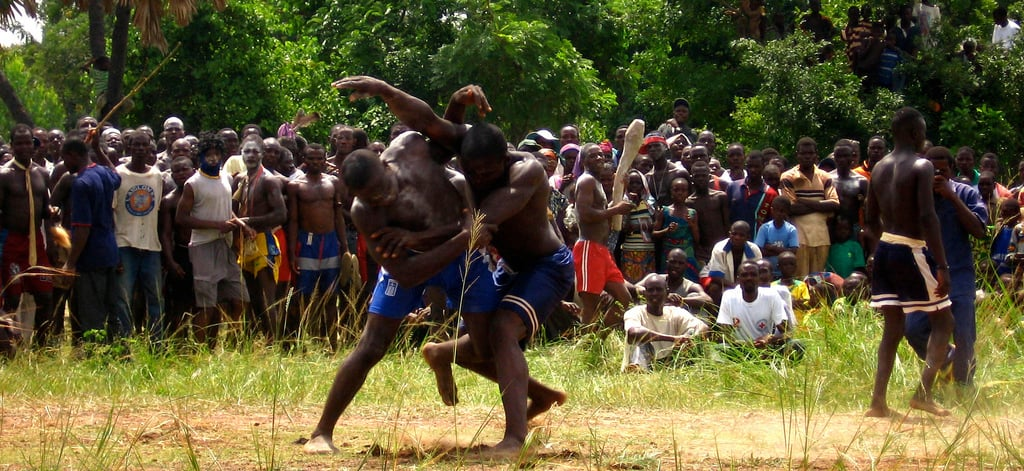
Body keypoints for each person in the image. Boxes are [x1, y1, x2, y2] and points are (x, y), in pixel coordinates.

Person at [331, 76, 571, 456]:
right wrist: (387, 91)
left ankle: (513, 439)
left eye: (486, 173)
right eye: (470, 170)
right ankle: (518, 387)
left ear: (504, 160)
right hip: (507, 265)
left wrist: (414, 238)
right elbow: (428, 123)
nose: (476, 177)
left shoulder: (525, 172)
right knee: (482, 344)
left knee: (502, 332)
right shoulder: (465, 153)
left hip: (545, 265)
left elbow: (476, 227)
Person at [864, 107, 954, 417]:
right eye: (923, 130)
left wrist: (881, 247)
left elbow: (869, 219)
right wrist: (942, 265)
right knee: (944, 321)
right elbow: (928, 217)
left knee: (893, 327)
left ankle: (878, 402)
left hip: (885, 248)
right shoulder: (922, 165)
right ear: (915, 133)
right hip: (911, 248)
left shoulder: (878, 168)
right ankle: (922, 395)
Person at [903, 145, 987, 388]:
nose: (938, 175)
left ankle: (963, 387)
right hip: (924, 274)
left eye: (943, 170)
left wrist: (952, 197)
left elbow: (980, 231)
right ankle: (947, 360)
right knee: (914, 329)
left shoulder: (966, 193)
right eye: (933, 170)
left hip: (959, 273)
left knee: (964, 333)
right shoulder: (914, 196)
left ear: (951, 170)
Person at [176, 134, 248, 348]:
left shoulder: (226, 178)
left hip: (226, 245)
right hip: (203, 247)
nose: (213, 158)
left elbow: (225, 209)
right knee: (206, 305)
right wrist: (217, 225)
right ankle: (202, 350)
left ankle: (233, 345)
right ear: (200, 157)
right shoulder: (193, 184)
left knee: (240, 299)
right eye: (209, 155)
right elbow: (182, 218)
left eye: (217, 154)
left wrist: (240, 223)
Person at [286, 144, 349, 349]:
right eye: (311, 158)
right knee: (304, 296)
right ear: (304, 159)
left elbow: (338, 216)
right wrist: (292, 252)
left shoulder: (333, 182)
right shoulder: (296, 185)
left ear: (324, 159)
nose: (316, 162)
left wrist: (344, 246)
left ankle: (331, 343)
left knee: (331, 295)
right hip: (307, 243)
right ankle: (306, 342)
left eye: (319, 158)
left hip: (330, 242)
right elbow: (293, 220)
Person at [61, 135, 120, 345]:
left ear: (73, 155)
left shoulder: (81, 183)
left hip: (91, 256)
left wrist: (70, 262)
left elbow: (82, 229)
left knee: (92, 312)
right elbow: (117, 176)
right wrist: (100, 150)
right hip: (110, 252)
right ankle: (118, 350)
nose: (64, 163)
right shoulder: (103, 172)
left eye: (64, 158)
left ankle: (96, 353)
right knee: (111, 308)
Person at [0, 124, 55, 347]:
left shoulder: (42, 173)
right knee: (12, 297)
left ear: (34, 145)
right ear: (12, 146)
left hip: (36, 242)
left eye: (27, 143)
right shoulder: (4, 175)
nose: (24, 147)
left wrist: (52, 214)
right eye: (19, 143)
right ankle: (11, 347)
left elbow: (46, 210)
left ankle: (42, 348)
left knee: (45, 296)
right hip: (12, 243)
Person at [111, 130, 167, 341]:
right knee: (123, 299)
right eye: (137, 145)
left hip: (151, 247)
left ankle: (156, 344)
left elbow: (157, 210)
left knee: (156, 299)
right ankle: (125, 344)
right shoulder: (119, 174)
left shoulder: (157, 175)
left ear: (151, 148)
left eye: (145, 145)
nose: (141, 149)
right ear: (129, 147)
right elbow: (111, 211)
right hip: (124, 245)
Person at [234, 136, 287, 341]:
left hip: (264, 241)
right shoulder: (241, 179)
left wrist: (249, 221)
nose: (251, 155)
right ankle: (260, 341)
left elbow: (280, 214)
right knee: (253, 297)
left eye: (255, 152)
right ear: (241, 154)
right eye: (247, 151)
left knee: (267, 298)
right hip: (246, 243)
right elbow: (232, 210)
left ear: (262, 155)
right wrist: (241, 225)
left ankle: (275, 343)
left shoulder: (268, 180)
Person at [575, 143, 634, 326]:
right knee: (591, 304)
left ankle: (599, 338)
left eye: (601, 154)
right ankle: (586, 342)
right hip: (588, 248)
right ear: (584, 161)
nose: (599, 158)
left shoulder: (597, 182)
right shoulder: (586, 181)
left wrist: (621, 193)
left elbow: (601, 213)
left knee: (625, 300)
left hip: (602, 251)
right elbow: (585, 214)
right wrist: (616, 209)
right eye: (593, 156)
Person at [622, 275, 709, 372]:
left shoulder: (675, 312)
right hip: (646, 362)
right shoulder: (635, 312)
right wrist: (674, 339)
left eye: (659, 290)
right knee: (640, 342)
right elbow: (633, 333)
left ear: (667, 293)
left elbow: (703, 327)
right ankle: (637, 372)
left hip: (670, 362)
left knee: (693, 334)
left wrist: (688, 339)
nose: (655, 293)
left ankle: (690, 370)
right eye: (650, 290)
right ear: (645, 293)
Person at [781, 137, 840, 277]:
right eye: (803, 153)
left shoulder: (825, 177)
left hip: (821, 237)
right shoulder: (788, 177)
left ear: (816, 155)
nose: (807, 156)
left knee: (818, 280)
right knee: (800, 279)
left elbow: (834, 204)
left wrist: (803, 201)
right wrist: (821, 204)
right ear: (797, 155)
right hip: (798, 238)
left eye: (810, 153)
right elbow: (791, 208)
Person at [717, 262, 799, 359]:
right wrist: (747, 344)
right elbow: (724, 335)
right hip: (740, 349)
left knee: (796, 345)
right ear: (738, 280)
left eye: (753, 274)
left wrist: (769, 339)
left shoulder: (771, 295)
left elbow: (787, 333)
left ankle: (774, 364)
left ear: (759, 278)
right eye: (744, 275)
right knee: (720, 348)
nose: (749, 278)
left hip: (766, 349)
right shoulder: (729, 296)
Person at [160, 157, 195, 338]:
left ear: (193, 170)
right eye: (177, 171)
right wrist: (171, 262)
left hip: (203, 251)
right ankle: (178, 341)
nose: (181, 174)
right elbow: (166, 234)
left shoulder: (202, 195)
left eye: (184, 169)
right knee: (180, 301)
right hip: (182, 253)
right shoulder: (169, 201)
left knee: (203, 301)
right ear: (172, 175)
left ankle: (201, 342)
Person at [636, 248, 714, 317]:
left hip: (679, 322)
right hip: (653, 318)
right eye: (673, 262)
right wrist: (661, 296)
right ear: (667, 263)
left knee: (694, 296)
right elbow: (635, 288)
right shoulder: (655, 279)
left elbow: (708, 300)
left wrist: (681, 300)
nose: (676, 266)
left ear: (686, 266)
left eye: (680, 263)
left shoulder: (690, 286)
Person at [653, 177, 700, 280]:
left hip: (687, 253)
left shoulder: (692, 213)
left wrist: (692, 225)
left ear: (688, 193)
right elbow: (654, 234)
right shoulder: (664, 211)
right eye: (676, 190)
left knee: (689, 281)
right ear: (671, 191)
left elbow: (697, 239)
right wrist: (667, 230)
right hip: (669, 253)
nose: (680, 193)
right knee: (668, 281)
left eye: (683, 190)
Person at [688, 160, 730, 266]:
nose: (700, 179)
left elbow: (727, 225)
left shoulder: (720, 197)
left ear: (709, 177)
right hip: (702, 253)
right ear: (692, 178)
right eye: (697, 176)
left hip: (722, 248)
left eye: (703, 176)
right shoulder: (689, 202)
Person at [727, 150, 776, 237]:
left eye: (756, 167)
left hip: (758, 241)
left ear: (763, 166)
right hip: (734, 240)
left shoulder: (770, 194)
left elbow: (772, 223)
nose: (753, 170)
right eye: (750, 166)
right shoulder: (733, 187)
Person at [619, 170, 656, 283]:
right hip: (630, 250)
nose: (634, 186)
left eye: (638, 183)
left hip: (648, 251)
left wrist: (639, 226)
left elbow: (655, 227)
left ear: (643, 185)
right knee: (631, 285)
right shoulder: (622, 204)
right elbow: (624, 228)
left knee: (647, 284)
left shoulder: (650, 205)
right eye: (631, 183)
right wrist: (630, 205)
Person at [704, 221, 762, 289]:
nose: (737, 237)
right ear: (729, 234)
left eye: (741, 235)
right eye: (734, 234)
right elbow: (715, 275)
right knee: (714, 288)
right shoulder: (719, 248)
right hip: (721, 281)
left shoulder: (754, 250)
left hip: (744, 284)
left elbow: (758, 273)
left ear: (748, 237)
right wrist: (735, 287)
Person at [754, 196, 800, 277]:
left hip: (784, 273)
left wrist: (772, 248)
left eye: (782, 211)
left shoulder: (791, 229)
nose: (779, 213)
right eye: (776, 210)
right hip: (767, 273)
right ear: (772, 210)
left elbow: (793, 251)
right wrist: (784, 251)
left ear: (787, 212)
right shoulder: (765, 228)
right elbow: (759, 250)